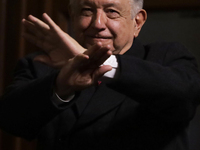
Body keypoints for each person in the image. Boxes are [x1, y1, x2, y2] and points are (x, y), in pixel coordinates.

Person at [0, 0, 200, 149]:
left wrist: (101, 64)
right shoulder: (41, 65)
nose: (97, 23)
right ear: (72, 14)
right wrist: (61, 86)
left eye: (112, 12)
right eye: (86, 11)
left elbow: (184, 97)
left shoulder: (166, 58)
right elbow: (11, 121)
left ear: (137, 22)